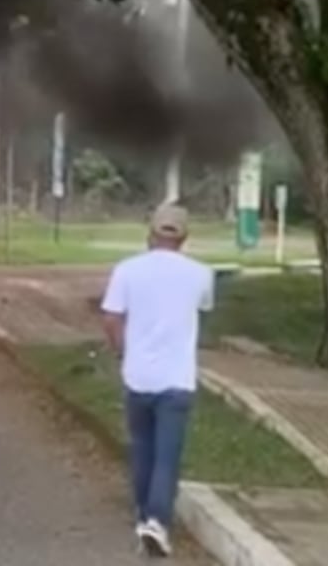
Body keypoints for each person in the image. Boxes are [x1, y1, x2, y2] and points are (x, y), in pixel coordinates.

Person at [100, 203, 214, 558]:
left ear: (149, 232)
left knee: (142, 447)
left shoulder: (127, 270)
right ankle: (157, 521)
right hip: (177, 379)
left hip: (138, 375)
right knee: (168, 455)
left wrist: (122, 350)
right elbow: (204, 308)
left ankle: (143, 512)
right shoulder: (201, 273)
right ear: (184, 237)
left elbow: (111, 319)